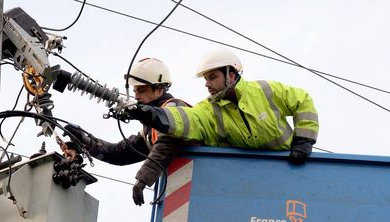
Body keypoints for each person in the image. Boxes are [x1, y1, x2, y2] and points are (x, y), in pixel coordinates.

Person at [123, 48, 319, 163]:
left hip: (288, 164)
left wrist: (304, 140)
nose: (207, 84)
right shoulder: (208, 110)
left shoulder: (265, 91)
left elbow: (302, 100)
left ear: (231, 75)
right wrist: (147, 113)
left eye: (213, 77)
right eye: (206, 79)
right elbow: (186, 119)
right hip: (245, 175)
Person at [64, 58, 189, 205]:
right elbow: (119, 154)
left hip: (198, 182)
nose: (136, 96)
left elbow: (166, 144)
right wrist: (85, 141)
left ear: (160, 88)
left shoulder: (175, 109)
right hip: (183, 192)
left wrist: (143, 178)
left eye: (141, 90)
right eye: (135, 90)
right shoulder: (150, 131)